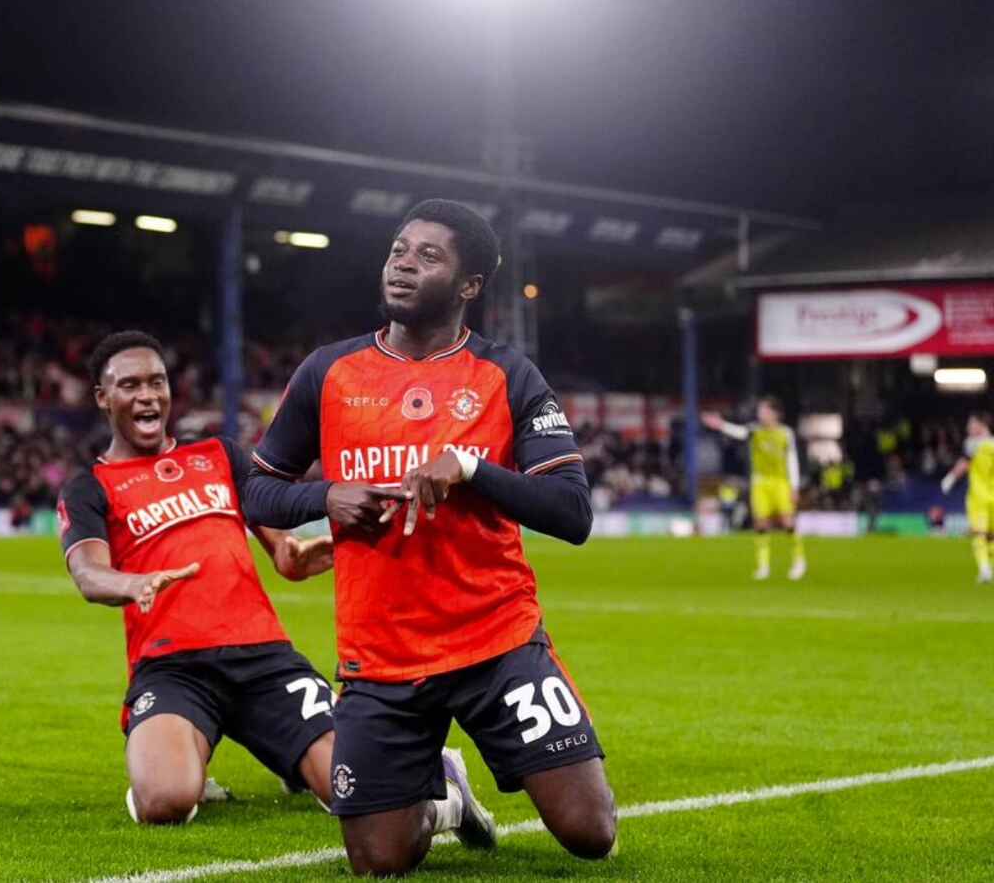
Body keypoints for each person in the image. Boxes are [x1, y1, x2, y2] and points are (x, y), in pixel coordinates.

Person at [247, 199, 614, 874]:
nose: (403, 265)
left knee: (590, 833)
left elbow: (571, 513)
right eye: (397, 250)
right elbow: (258, 488)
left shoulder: (508, 376)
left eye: (427, 256)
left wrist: (473, 469)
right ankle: (445, 796)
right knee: (380, 863)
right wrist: (325, 496)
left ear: (468, 285)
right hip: (380, 659)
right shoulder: (328, 374)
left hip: (494, 643)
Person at [59, 332, 435, 829]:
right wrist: (130, 584)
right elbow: (88, 572)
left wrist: (304, 553)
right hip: (174, 668)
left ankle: (302, 759)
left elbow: (285, 555)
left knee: (359, 786)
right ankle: (186, 759)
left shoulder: (221, 456)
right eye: (129, 385)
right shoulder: (90, 486)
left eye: (157, 382)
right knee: (166, 803)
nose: (148, 395)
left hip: (264, 660)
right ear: (103, 398)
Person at [703, 398, 806, 580]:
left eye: (764, 411)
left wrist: (794, 487)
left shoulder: (785, 433)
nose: (760, 414)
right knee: (760, 523)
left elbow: (792, 461)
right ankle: (763, 566)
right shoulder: (754, 430)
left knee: (787, 522)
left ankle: (798, 561)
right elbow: (739, 432)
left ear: (775, 414)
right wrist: (721, 425)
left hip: (781, 482)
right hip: (760, 482)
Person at [939, 412, 994, 584]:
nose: (968, 427)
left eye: (971, 424)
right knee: (990, 536)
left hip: (978, 497)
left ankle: (985, 570)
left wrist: (950, 478)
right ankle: (987, 568)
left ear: (981, 424)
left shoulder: (972, 444)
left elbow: (964, 463)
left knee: (979, 533)